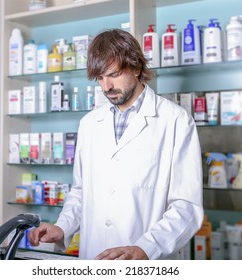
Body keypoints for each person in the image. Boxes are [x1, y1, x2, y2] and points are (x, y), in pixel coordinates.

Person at [28, 28, 204, 260]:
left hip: (146, 261)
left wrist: (146, 248)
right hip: (94, 256)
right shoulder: (90, 123)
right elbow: (81, 193)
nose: (106, 87)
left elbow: (187, 206)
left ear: (137, 67)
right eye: (100, 78)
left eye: (113, 74)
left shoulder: (175, 120)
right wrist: (62, 227)